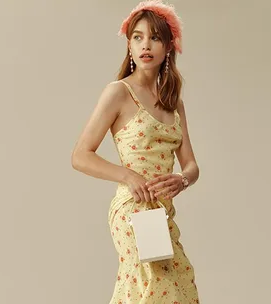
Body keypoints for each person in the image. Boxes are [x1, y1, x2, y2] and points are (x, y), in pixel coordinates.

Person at [71, 0, 200, 302]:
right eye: (137, 37)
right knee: (156, 285)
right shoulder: (118, 92)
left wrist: (182, 179)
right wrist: (128, 176)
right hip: (133, 208)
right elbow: (80, 155)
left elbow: (191, 164)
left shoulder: (173, 102)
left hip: (161, 212)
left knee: (172, 285)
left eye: (155, 37)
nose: (146, 45)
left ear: (168, 47)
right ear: (129, 45)